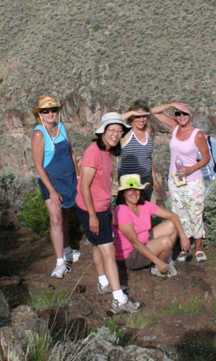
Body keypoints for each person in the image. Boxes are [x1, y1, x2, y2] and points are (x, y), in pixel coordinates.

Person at [75, 112, 141, 313]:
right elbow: (84, 186)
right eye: (112, 130)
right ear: (102, 131)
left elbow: (101, 184)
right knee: (109, 251)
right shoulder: (93, 152)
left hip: (100, 207)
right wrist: (94, 215)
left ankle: (104, 283)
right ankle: (119, 300)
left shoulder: (108, 151)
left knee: (97, 246)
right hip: (90, 209)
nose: (115, 134)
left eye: (119, 131)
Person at [151, 101, 210, 262]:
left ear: (191, 115)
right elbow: (154, 111)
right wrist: (173, 104)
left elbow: (206, 158)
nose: (181, 116)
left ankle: (198, 246)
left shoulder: (197, 134)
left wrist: (191, 169)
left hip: (192, 181)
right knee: (179, 213)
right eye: (178, 113)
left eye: (185, 113)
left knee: (195, 213)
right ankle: (185, 245)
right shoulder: (174, 127)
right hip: (175, 180)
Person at [30, 95, 81, 279]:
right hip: (50, 182)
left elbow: (71, 153)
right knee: (56, 220)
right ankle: (60, 262)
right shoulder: (38, 133)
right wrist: (51, 190)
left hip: (68, 179)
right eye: (46, 111)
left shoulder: (61, 128)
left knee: (65, 215)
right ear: (40, 114)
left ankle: (67, 250)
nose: (50, 113)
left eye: (53, 110)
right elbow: (38, 165)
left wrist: (78, 175)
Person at [113, 174, 190, 278]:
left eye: (137, 189)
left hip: (145, 242)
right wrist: (157, 261)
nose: (134, 193)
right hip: (131, 255)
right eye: (130, 190)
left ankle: (166, 260)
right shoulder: (122, 211)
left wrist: (183, 236)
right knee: (165, 241)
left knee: (172, 225)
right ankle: (158, 266)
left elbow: (172, 216)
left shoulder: (144, 205)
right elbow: (134, 242)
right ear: (124, 194)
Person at [117, 101, 160, 204]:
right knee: (127, 211)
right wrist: (131, 113)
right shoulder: (126, 132)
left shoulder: (148, 131)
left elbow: (148, 157)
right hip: (129, 180)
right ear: (132, 117)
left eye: (144, 116)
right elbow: (112, 121)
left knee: (143, 210)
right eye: (138, 116)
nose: (141, 119)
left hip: (146, 179)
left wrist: (154, 178)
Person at [192, 117, 216, 196]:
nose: (205, 137)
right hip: (194, 180)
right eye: (202, 134)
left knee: (207, 200)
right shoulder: (188, 143)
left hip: (210, 178)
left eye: (206, 134)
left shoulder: (211, 141)